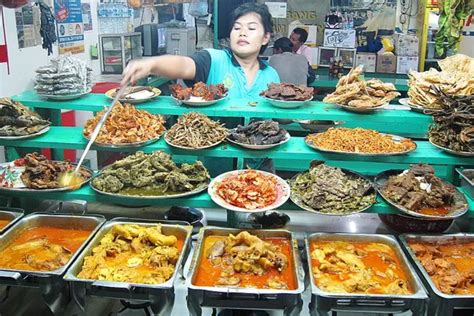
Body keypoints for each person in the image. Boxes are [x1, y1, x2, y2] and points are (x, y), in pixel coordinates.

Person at [122, 3, 280, 98]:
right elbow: (184, 65)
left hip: (259, 152)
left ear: (265, 38)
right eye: (237, 27)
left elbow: (279, 115)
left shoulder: (271, 75)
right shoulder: (214, 59)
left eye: (251, 28)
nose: (242, 32)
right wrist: (151, 64)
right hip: (216, 151)